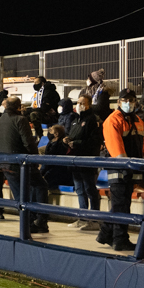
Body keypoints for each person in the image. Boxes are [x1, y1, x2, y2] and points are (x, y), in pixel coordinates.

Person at [98, 88, 144, 251]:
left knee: (122, 204)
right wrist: (126, 166)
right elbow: (116, 147)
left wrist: (143, 166)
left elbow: (142, 145)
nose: (128, 103)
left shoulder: (138, 120)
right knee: (120, 205)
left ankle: (106, 234)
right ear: (118, 102)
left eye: (131, 100)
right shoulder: (113, 120)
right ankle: (119, 239)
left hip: (131, 168)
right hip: (119, 168)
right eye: (125, 100)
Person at [0, 97, 50, 233]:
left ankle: (28, 223)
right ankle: (40, 220)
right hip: (21, 163)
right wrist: (34, 159)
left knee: (19, 196)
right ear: (18, 107)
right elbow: (28, 143)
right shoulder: (20, 120)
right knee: (40, 185)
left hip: (5, 164)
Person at [63, 94, 103, 230]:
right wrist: (67, 140)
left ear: (89, 105)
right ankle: (83, 217)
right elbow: (72, 135)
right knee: (80, 190)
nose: (79, 105)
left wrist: (77, 143)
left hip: (87, 160)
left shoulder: (92, 119)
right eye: (78, 102)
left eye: (82, 103)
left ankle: (94, 219)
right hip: (75, 160)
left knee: (90, 189)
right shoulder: (75, 120)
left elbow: (95, 141)